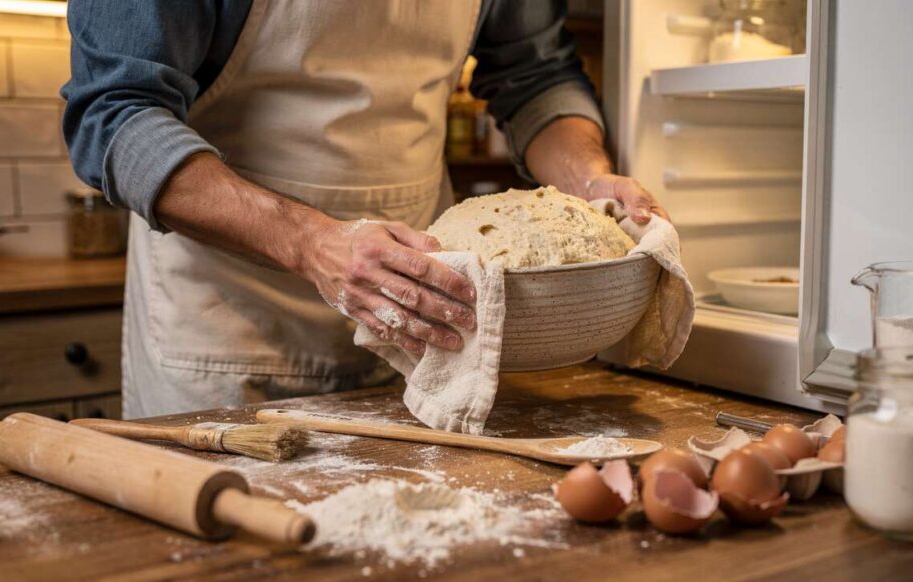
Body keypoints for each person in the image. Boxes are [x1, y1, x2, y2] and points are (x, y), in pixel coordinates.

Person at [63, 0, 670, 419]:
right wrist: (314, 243)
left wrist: (590, 178)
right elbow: (113, 113)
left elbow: (535, 73)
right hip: (229, 321)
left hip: (427, 311)